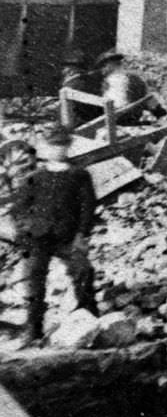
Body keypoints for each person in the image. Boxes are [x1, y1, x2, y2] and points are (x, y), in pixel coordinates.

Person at [16, 125, 98, 346]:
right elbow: (20, 209)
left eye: (62, 145)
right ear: (45, 147)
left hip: (67, 237)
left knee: (83, 271)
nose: (57, 150)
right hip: (37, 240)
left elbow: (87, 208)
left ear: (69, 146)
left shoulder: (79, 175)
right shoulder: (34, 177)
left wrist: (82, 235)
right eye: (53, 146)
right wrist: (26, 231)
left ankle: (89, 318)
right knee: (33, 281)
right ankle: (33, 328)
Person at [97, 50, 159, 121]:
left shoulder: (129, 78)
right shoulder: (107, 82)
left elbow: (150, 101)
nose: (102, 70)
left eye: (104, 66)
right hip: (121, 117)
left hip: (129, 117)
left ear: (111, 64)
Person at [59, 50, 102, 128]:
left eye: (65, 68)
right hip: (94, 119)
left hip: (82, 125)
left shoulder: (72, 85)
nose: (63, 71)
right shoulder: (89, 80)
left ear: (71, 71)